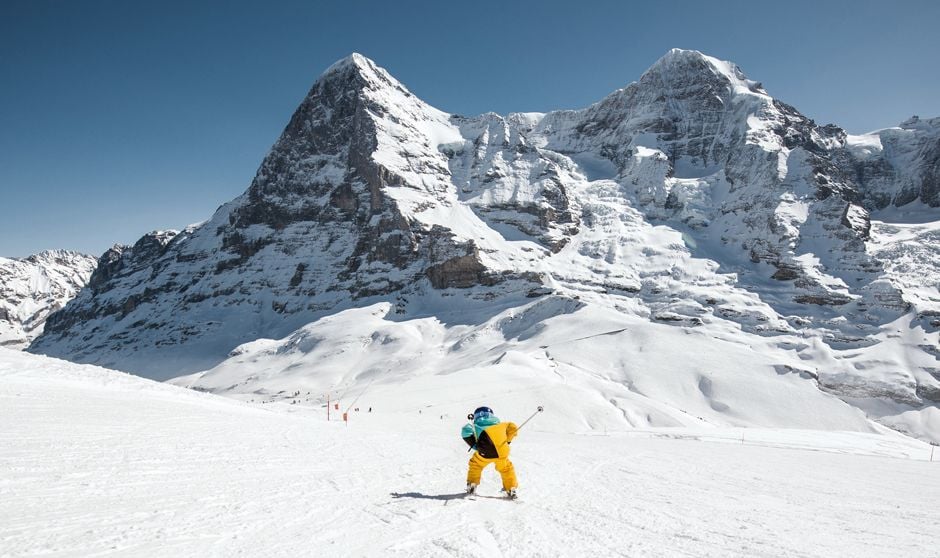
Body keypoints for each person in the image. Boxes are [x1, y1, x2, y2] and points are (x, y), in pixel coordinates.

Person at [461, 406, 519, 499]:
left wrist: (475, 446)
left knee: (476, 465)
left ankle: (472, 484)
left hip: (484, 453)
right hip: (501, 452)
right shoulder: (502, 425)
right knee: (506, 469)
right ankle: (511, 488)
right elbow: (513, 427)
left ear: (475, 416)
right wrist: (507, 441)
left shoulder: (475, 426)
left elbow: (465, 431)